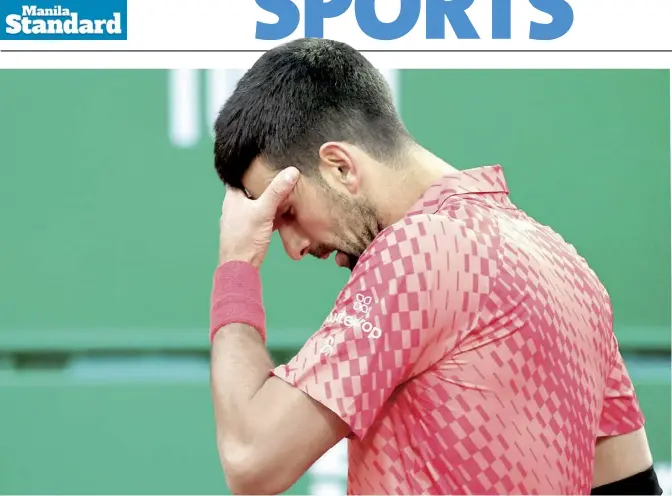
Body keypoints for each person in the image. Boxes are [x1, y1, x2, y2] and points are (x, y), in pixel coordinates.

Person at [208, 38, 661, 495]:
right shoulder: (568, 267)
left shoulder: (417, 251)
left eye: (287, 212)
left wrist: (237, 264)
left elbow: (251, 458)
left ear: (341, 167)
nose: (292, 246)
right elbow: (631, 487)